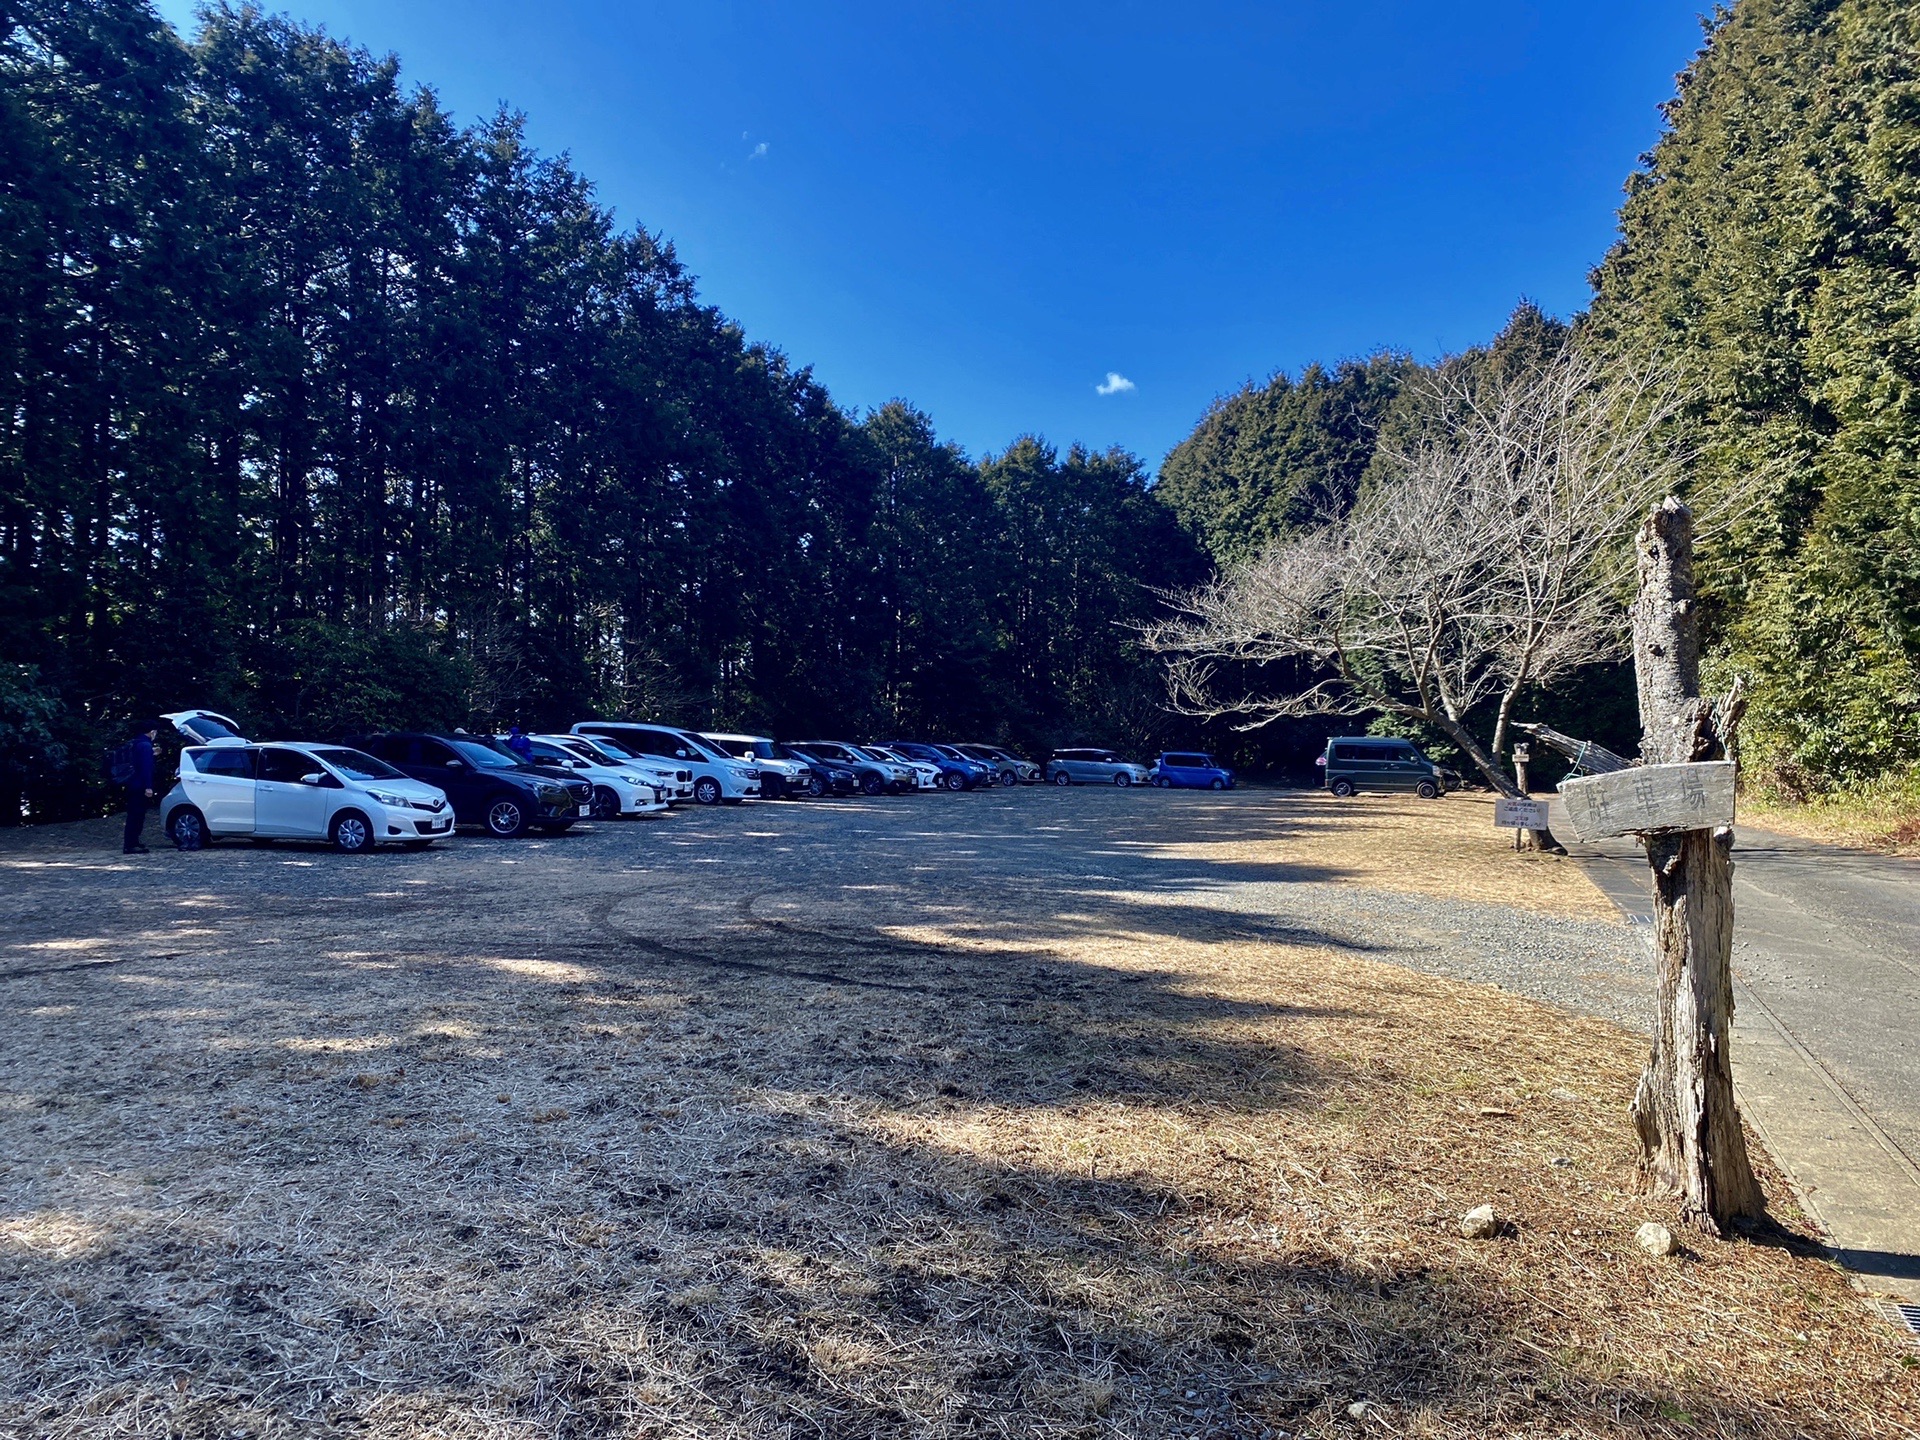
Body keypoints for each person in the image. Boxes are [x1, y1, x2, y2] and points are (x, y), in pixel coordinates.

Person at [122, 719, 161, 855]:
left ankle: (132, 842)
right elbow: (146, 767)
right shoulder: (145, 745)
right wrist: (148, 786)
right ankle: (131, 844)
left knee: (133, 814)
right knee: (137, 815)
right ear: (152, 732)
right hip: (140, 785)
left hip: (131, 782)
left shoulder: (135, 743)